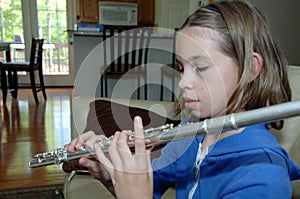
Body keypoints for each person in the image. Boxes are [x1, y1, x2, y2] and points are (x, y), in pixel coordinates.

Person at [66, 0, 300, 198]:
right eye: (181, 67)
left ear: (250, 68)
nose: (182, 82)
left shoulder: (263, 178)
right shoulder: (192, 131)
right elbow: (150, 183)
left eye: (200, 67)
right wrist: (110, 173)